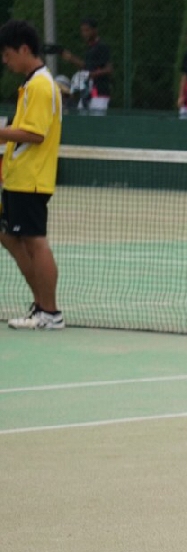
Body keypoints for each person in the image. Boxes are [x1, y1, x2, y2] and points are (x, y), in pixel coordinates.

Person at [0, 20, 64, 331]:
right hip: (16, 179)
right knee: (10, 237)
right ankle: (40, 306)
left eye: (8, 53)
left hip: (32, 180)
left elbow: (35, 134)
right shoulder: (30, 84)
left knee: (35, 242)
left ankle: (49, 313)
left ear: (24, 49)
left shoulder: (40, 85)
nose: (5, 59)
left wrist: (0, 133)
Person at [61, 18, 112, 115]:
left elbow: (109, 69)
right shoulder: (90, 49)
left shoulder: (102, 47)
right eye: (83, 31)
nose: (84, 33)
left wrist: (90, 74)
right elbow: (87, 66)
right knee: (82, 118)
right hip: (88, 92)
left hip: (99, 92)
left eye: (87, 30)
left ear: (95, 30)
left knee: (97, 123)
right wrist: (71, 58)